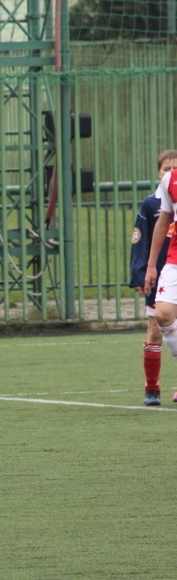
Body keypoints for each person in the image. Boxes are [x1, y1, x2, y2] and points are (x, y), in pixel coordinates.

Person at [130, 149, 177, 405]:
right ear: (159, 173)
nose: (169, 172)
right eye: (165, 169)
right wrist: (143, 271)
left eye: (174, 168)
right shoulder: (152, 203)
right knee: (156, 329)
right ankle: (152, 387)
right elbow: (141, 238)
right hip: (163, 272)